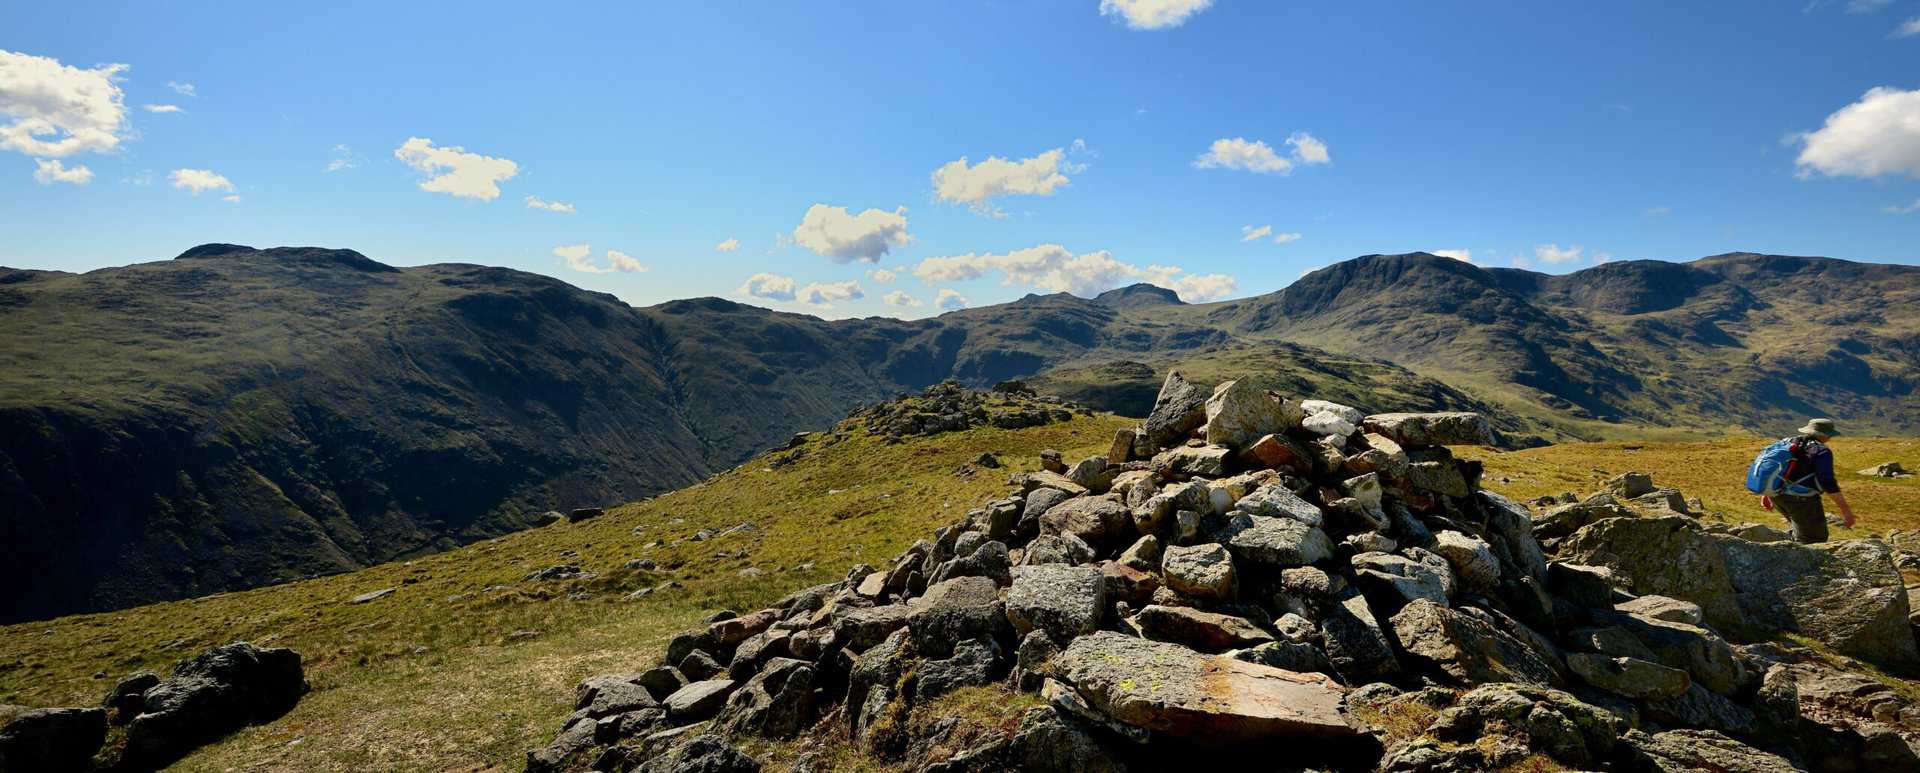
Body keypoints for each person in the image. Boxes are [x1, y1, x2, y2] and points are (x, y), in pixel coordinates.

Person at [1760, 418, 1855, 543]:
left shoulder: (1789, 442)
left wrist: (1767, 493)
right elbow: (1827, 482)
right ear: (1825, 435)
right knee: (1814, 539)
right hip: (1801, 500)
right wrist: (1846, 511)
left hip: (1777, 496)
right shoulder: (1821, 451)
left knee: (1800, 532)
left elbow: (1775, 467)